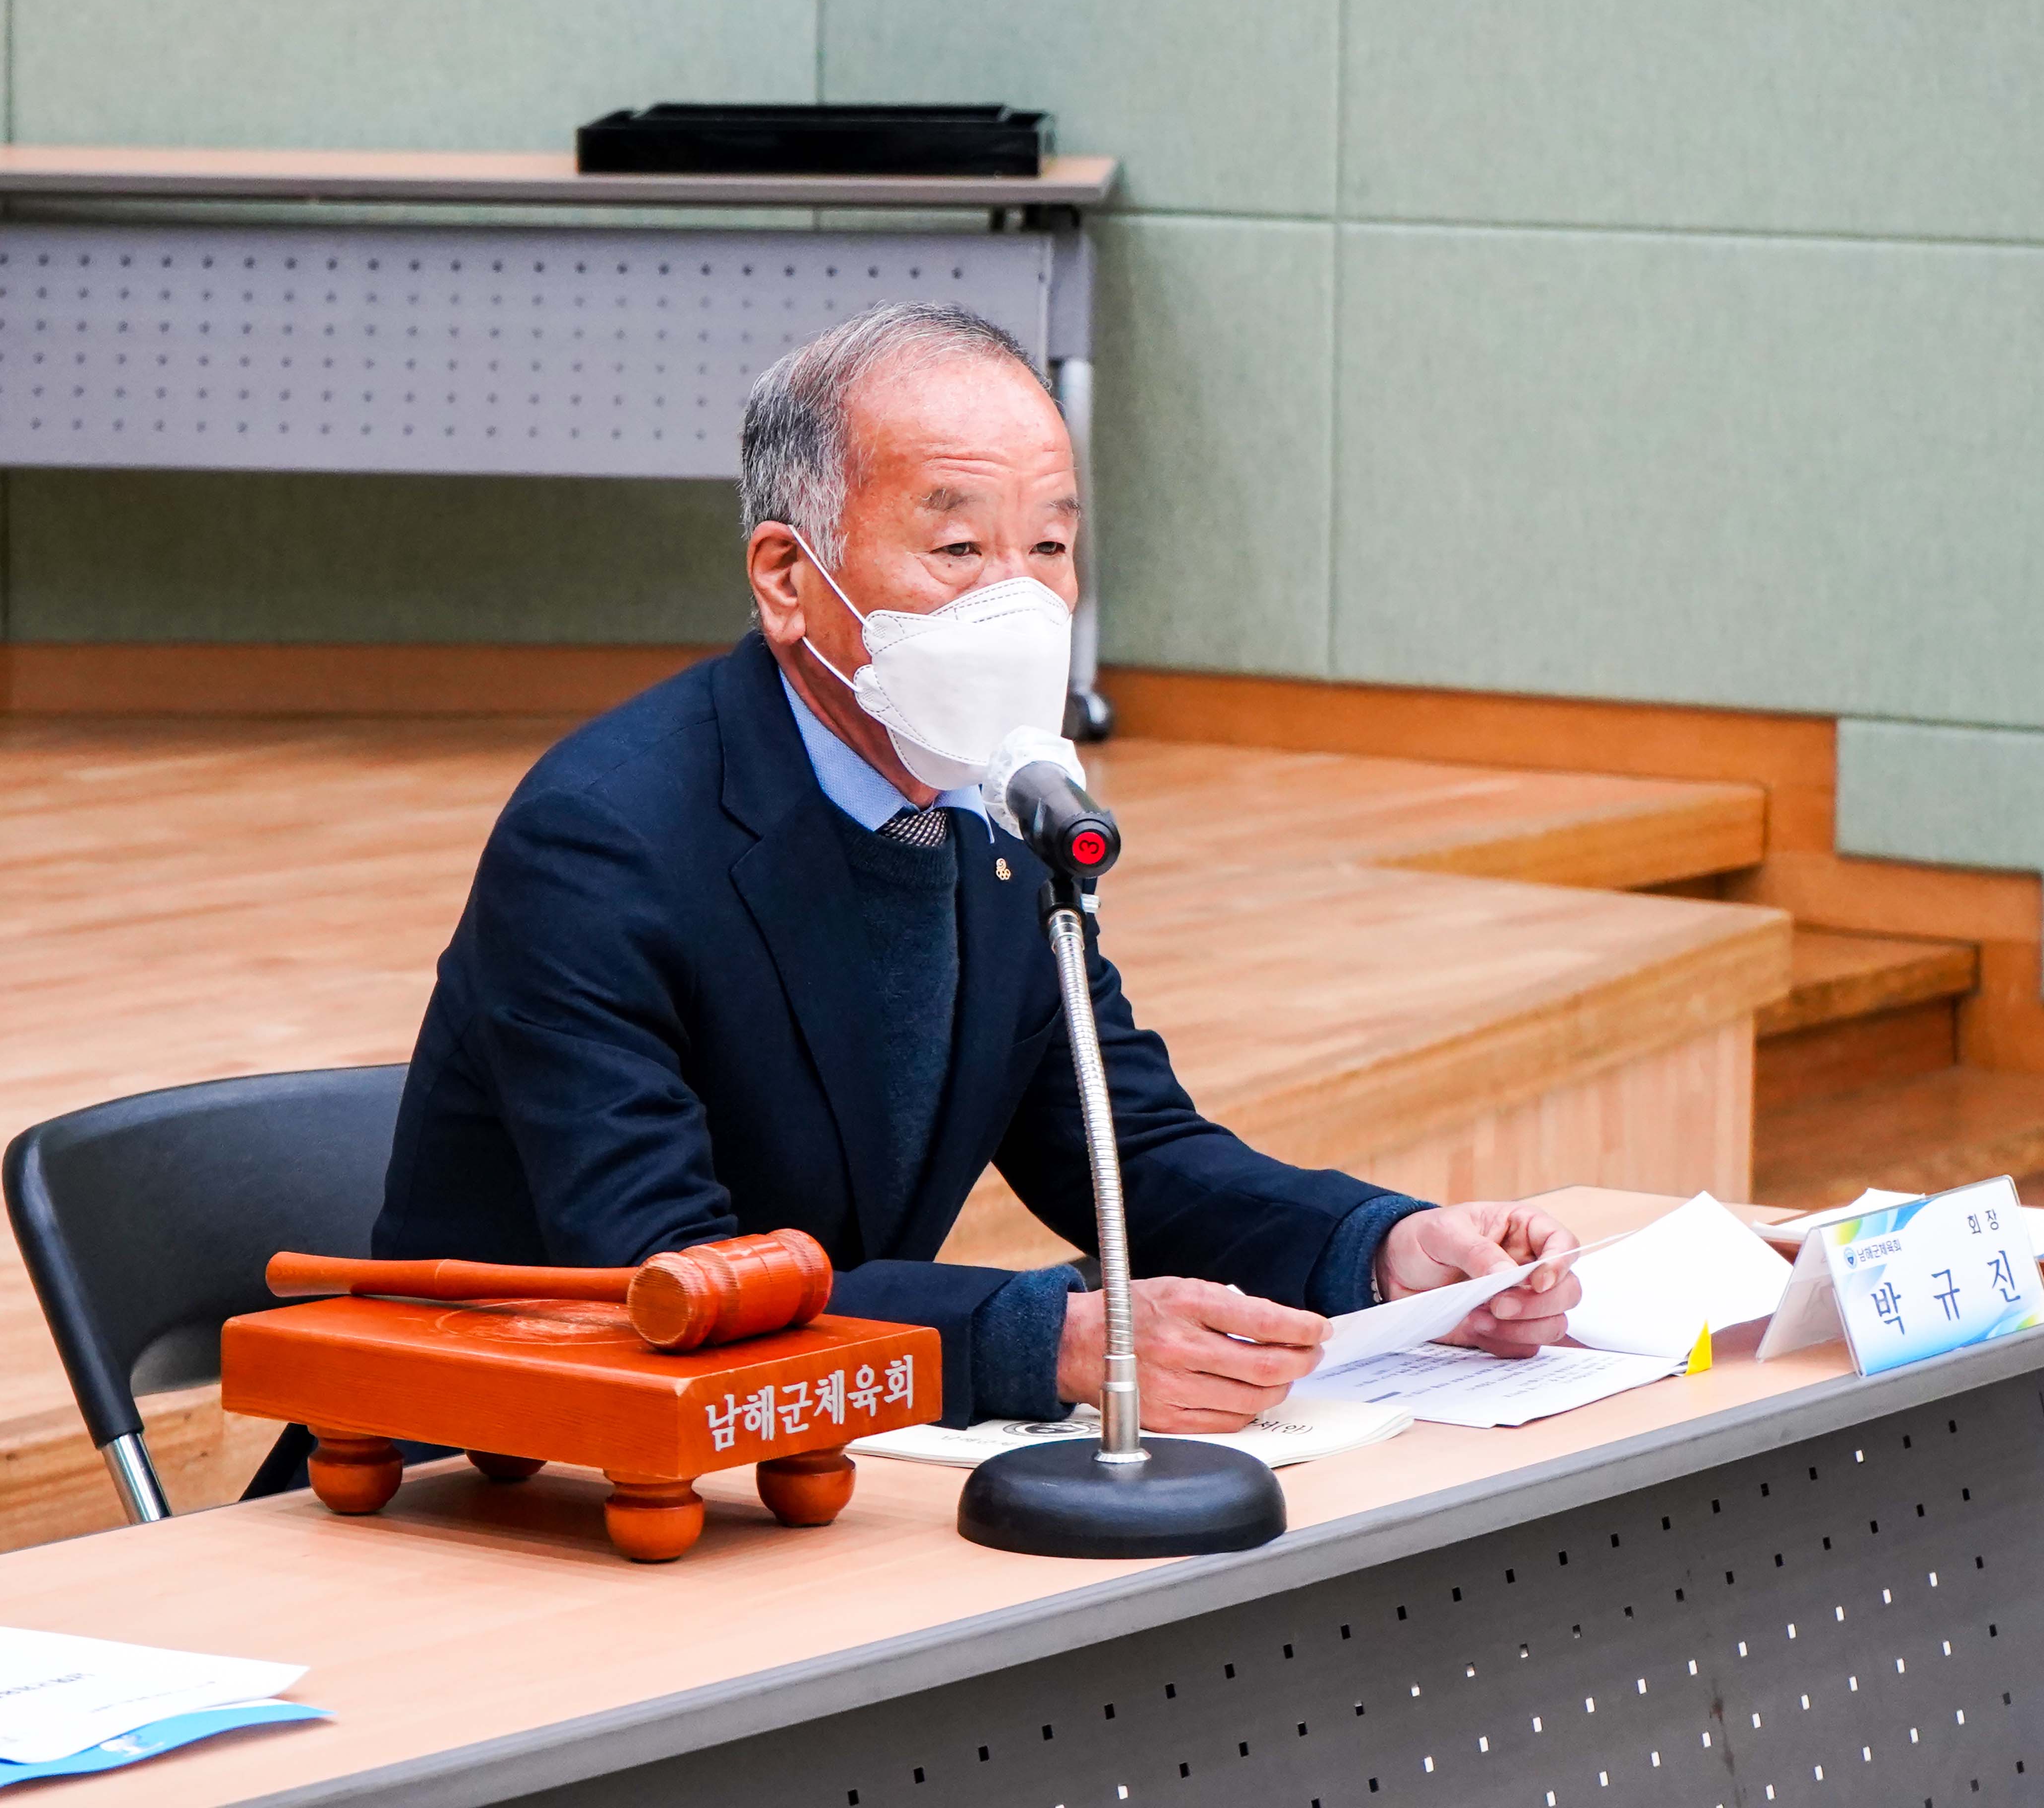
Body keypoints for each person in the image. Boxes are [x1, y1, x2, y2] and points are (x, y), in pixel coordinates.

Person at [375, 303, 1581, 1430]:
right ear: (788, 577)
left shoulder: (1004, 813)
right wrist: (1047, 1342)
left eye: (1050, 543)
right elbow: (670, 1267)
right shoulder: (602, 839)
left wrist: (1383, 1249)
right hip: (500, 1461)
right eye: (958, 545)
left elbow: (1126, 1147)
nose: (1019, 601)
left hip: (801, 1451)